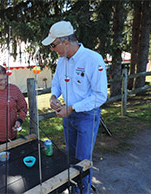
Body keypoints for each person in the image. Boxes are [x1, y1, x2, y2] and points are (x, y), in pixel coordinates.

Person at [42, 21, 107, 194]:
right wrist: (54, 96)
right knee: (70, 158)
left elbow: (100, 95)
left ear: (66, 42)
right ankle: (74, 191)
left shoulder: (93, 59)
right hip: (68, 116)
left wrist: (71, 108)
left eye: (54, 45)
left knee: (83, 160)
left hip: (87, 116)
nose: (52, 49)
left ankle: (83, 191)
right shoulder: (62, 61)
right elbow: (56, 82)